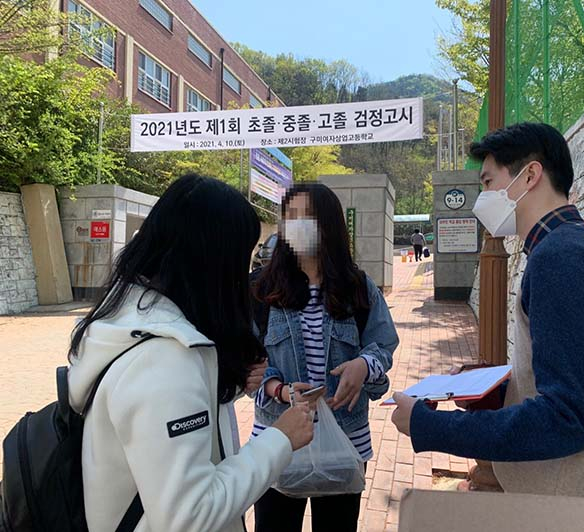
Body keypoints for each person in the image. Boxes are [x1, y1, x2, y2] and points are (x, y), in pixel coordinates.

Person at [391, 122, 584, 500]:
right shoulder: (579, 245)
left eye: (488, 182)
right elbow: (576, 374)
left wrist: (428, 425)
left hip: (568, 507)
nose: (483, 197)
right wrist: (498, 391)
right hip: (581, 498)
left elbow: (567, 417)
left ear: (530, 175)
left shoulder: (560, 258)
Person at [67, 174, 314, 531]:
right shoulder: (166, 361)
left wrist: (221, 385)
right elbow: (190, 516)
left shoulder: (125, 321)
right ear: (214, 264)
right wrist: (280, 439)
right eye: (240, 259)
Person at [251, 183, 399, 532]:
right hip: (278, 439)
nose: (296, 225)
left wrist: (364, 366)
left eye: (307, 216)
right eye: (290, 216)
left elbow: (382, 345)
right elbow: (247, 363)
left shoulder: (357, 287)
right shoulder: (261, 289)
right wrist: (279, 390)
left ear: (329, 224)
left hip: (344, 443)